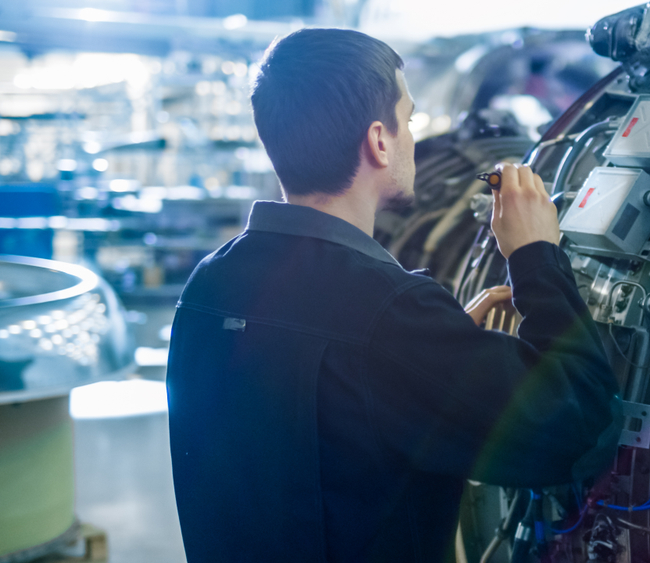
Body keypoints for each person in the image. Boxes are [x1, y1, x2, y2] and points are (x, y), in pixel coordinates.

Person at [165, 28, 621, 563]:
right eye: (406, 120)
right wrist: (536, 255)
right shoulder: (391, 316)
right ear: (379, 141)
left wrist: (441, 352)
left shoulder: (210, 281)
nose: (410, 138)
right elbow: (581, 429)